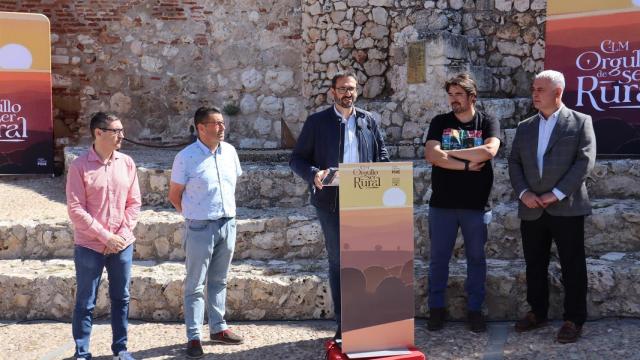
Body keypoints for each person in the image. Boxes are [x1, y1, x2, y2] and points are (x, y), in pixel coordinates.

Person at [290, 71, 389, 340]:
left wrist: (382, 175)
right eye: (343, 88)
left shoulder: (368, 121)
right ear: (333, 92)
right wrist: (313, 174)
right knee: (339, 262)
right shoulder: (317, 122)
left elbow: (382, 154)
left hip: (366, 200)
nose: (348, 93)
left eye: (353, 89)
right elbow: (297, 159)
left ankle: (367, 320)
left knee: (366, 261)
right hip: (331, 203)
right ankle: (344, 324)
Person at [508, 70, 596, 343]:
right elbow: (514, 163)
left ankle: (574, 319)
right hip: (532, 207)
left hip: (567, 207)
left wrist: (556, 193)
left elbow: (584, 163)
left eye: (540, 89)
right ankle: (538, 312)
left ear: (557, 93)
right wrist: (523, 192)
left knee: (573, 264)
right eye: (533, 88)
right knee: (534, 263)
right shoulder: (525, 127)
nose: (534, 93)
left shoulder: (580, 122)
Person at [423, 73, 501, 333]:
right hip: (442, 204)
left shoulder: (488, 122)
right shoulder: (440, 121)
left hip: (476, 206)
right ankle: (436, 308)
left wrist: (448, 154)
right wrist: (467, 165)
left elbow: (489, 151)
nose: (453, 99)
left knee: (477, 259)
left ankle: (475, 310)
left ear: (472, 97)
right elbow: (431, 155)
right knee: (438, 259)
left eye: (459, 94)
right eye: (451, 94)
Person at [168, 106, 244, 359]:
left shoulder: (230, 152)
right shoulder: (185, 157)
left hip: (227, 224)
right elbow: (174, 195)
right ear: (201, 128)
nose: (222, 128)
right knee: (195, 284)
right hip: (200, 226)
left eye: (223, 123)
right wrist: (192, 215)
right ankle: (194, 336)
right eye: (216, 124)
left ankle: (219, 328)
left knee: (220, 280)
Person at [66, 112, 141, 360]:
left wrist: (120, 235)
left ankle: (121, 349)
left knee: (121, 297)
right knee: (86, 301)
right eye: (116, 131)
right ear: (99, 133)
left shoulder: (127, 163)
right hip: (89, 245)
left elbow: (134, 203)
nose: (122, 135)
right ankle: (82, 352)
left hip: (122, 244)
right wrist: (105, 237)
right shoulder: (79, 166)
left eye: (121, 130)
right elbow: (76, 209)